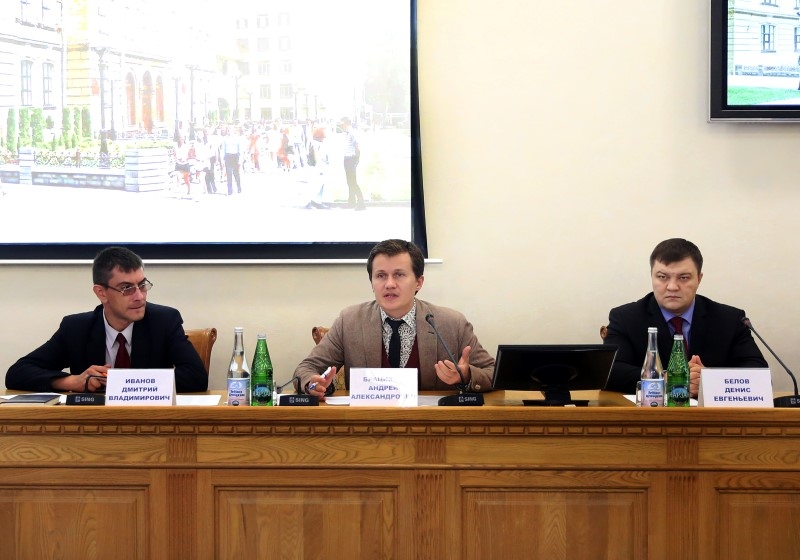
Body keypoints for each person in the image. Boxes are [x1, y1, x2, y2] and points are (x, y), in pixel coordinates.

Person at [294, 239, 495, 399]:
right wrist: (312, 383)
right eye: (381, 276)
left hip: (432, 428)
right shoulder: (350, 321)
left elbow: (493, 372)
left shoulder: (451, 323)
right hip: (367, 426)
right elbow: (305, 369)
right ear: (372, 283)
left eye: (399, 275)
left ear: (419, 282)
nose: (389, 284)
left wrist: (466, 375)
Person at [5, 247, 208, 394]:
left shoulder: (164, 321)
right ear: (101, 293)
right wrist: (71, 382)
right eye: (127, 288)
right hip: (92, 427)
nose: (139, 296)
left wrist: (123, 383)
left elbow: (196, 377)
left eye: (142, 285)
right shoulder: (76, 328)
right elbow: (17, 373)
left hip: (151, 422)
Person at [603, 238, 767, 396]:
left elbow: (759, 372)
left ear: (699, 279)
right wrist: (668, 379)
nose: (672, 287)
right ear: (652, 276)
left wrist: (710, 380)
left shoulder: (730, 320)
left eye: (683, 278)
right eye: (662, 277)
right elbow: (610, 372)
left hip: (711, 414)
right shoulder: (625, 318)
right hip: (651, 412)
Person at [340, 117, 365, 211]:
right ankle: (351, 202)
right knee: (349, 182)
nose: (341, 126)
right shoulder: (347, 134)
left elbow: (357, 146)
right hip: (347, 159)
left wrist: (356, 160)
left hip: (351, 159)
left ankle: (361, 203)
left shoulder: (352, 133)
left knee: (353, 182)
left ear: (347, 124)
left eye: (342, 124)